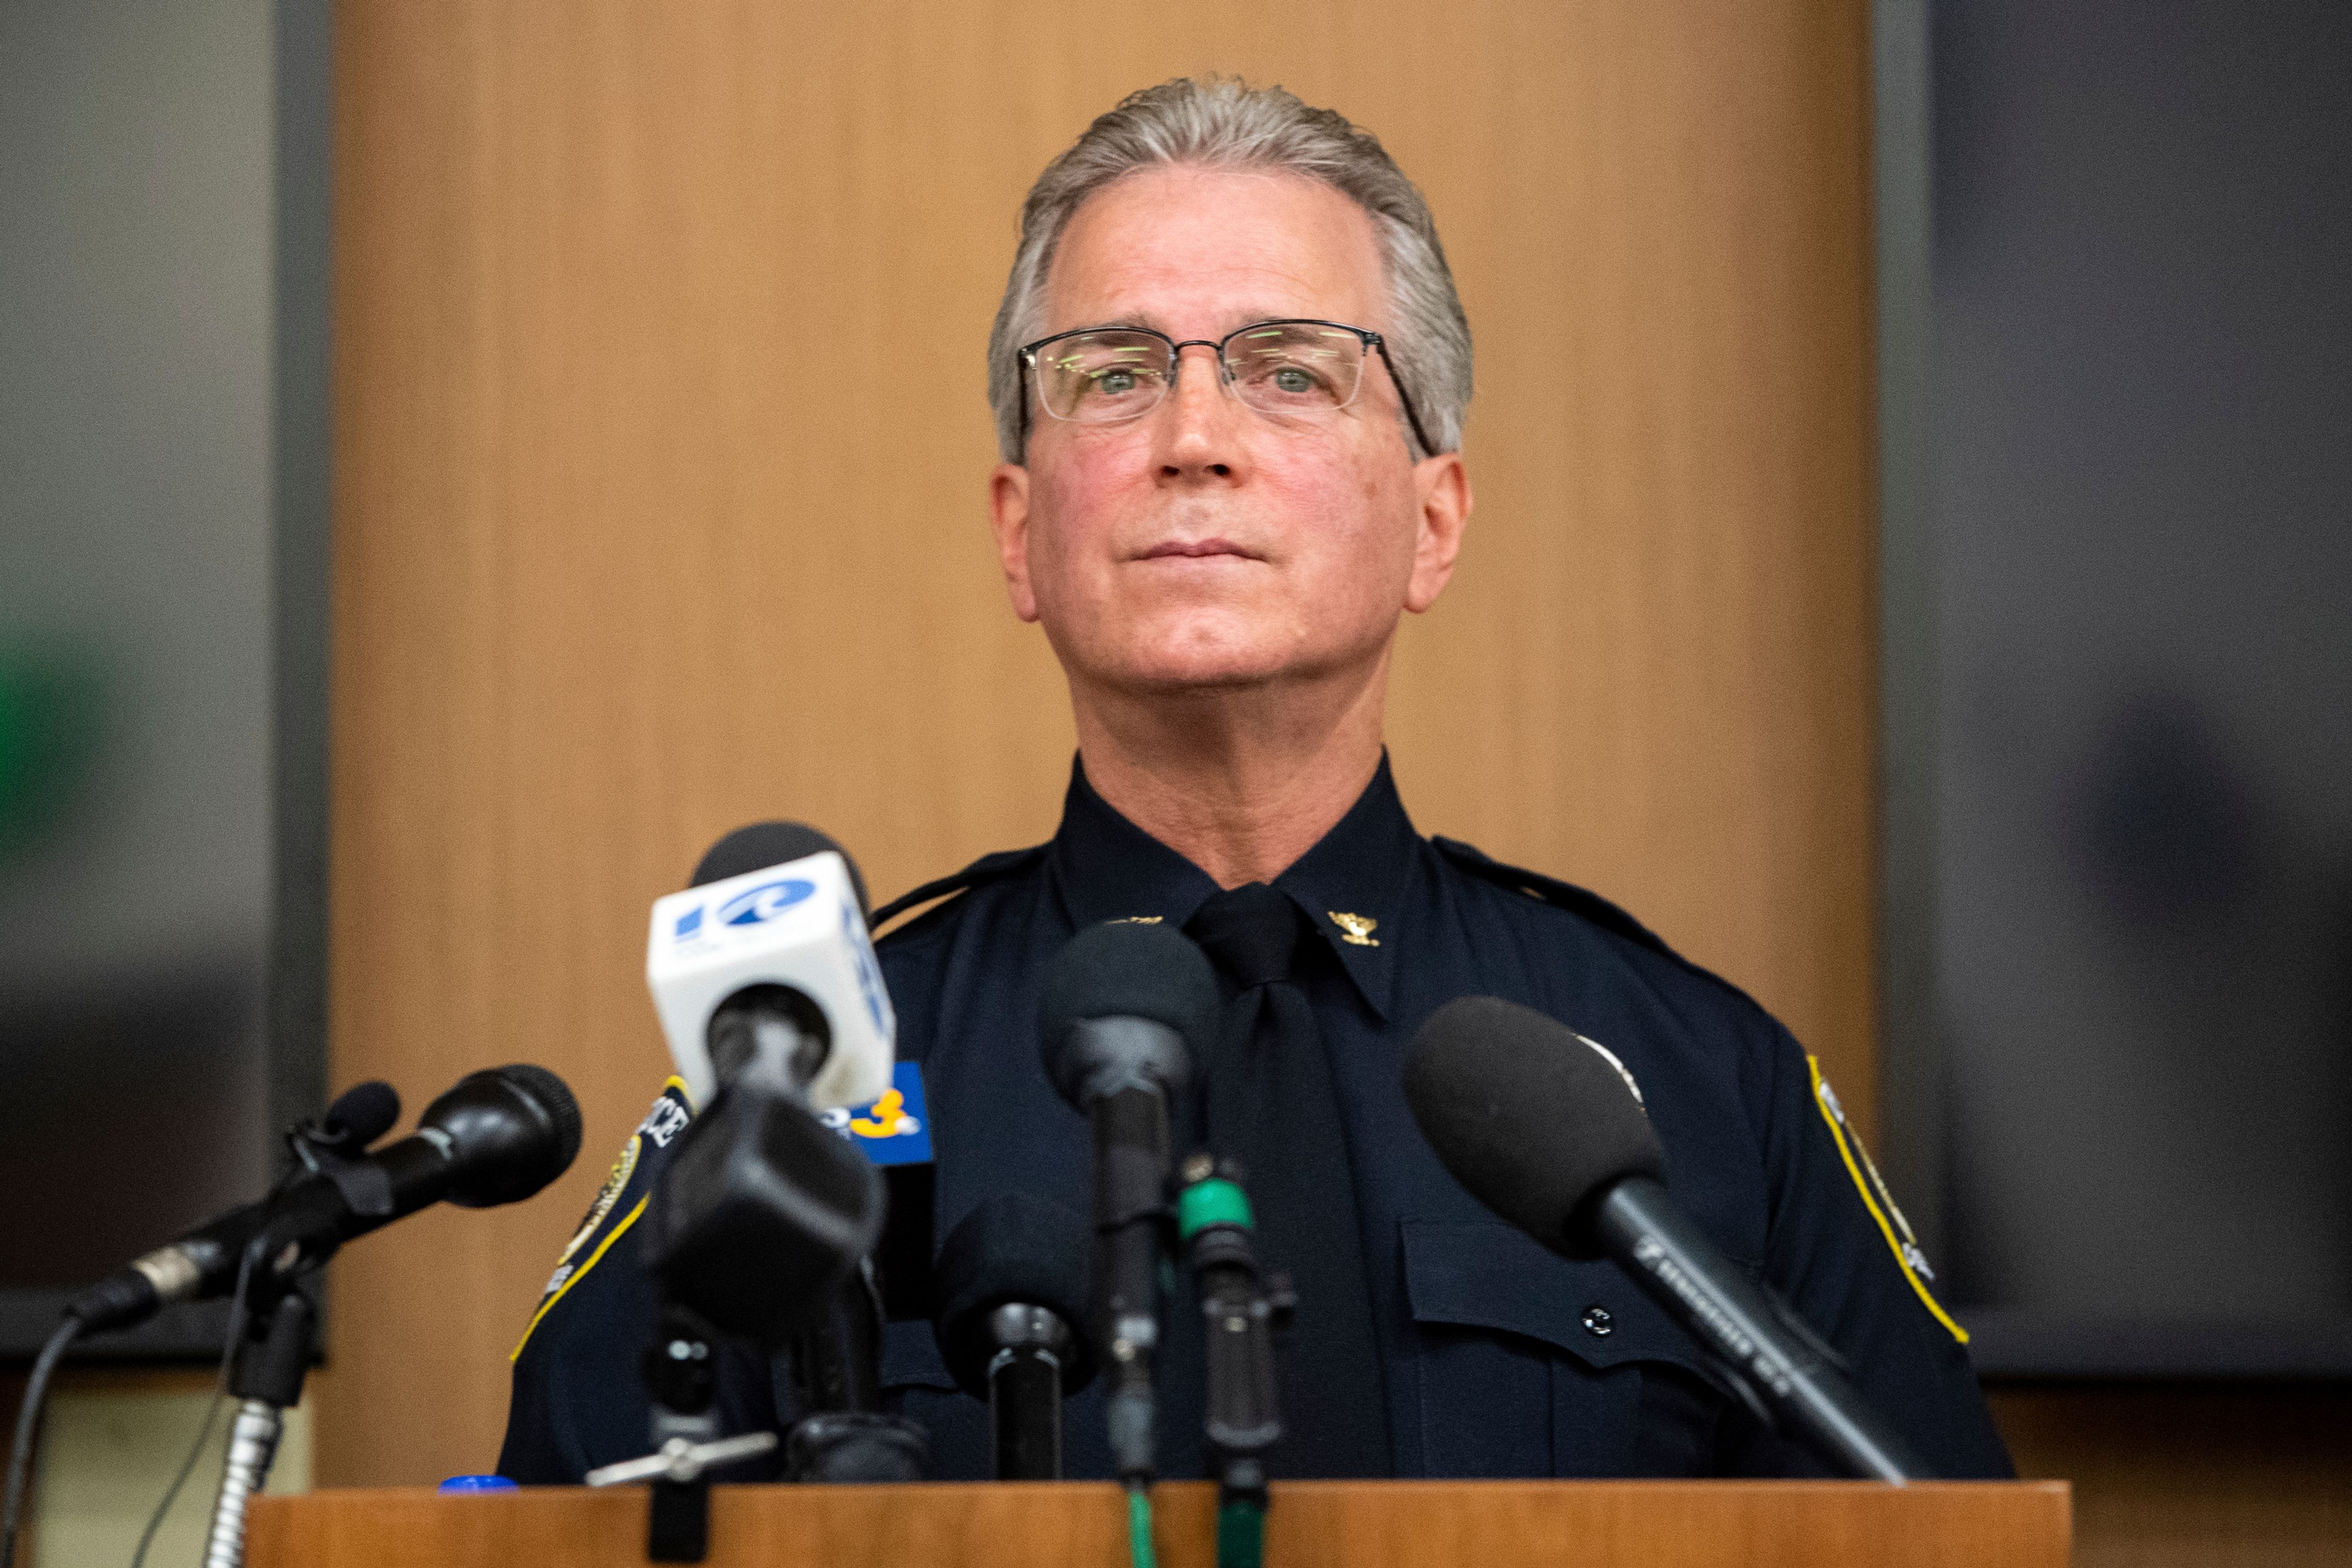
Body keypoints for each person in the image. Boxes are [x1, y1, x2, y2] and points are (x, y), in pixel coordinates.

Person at [498, 76, 2011, 1485]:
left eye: (1292, 371)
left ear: (1436, 519)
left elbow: (1942, 1528)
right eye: (1113, 374)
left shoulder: (1691, 1082)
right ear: (1020, 530)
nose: (1194, 438)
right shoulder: (809, 1082)